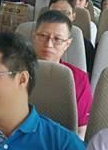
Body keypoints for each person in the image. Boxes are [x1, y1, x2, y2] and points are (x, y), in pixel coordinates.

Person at [32, 11, 93, 139]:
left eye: (57, 39)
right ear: (34, 36)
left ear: (67, 44)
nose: (48, 45)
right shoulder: (15, 70)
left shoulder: (78, 78)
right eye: (43, 36)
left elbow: (81, 130)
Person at [48, 0, 95, 77]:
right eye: (54, 13)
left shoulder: (85, 45)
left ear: (73, 16)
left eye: (65, 13)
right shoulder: (33, 38)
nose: (59, 18)